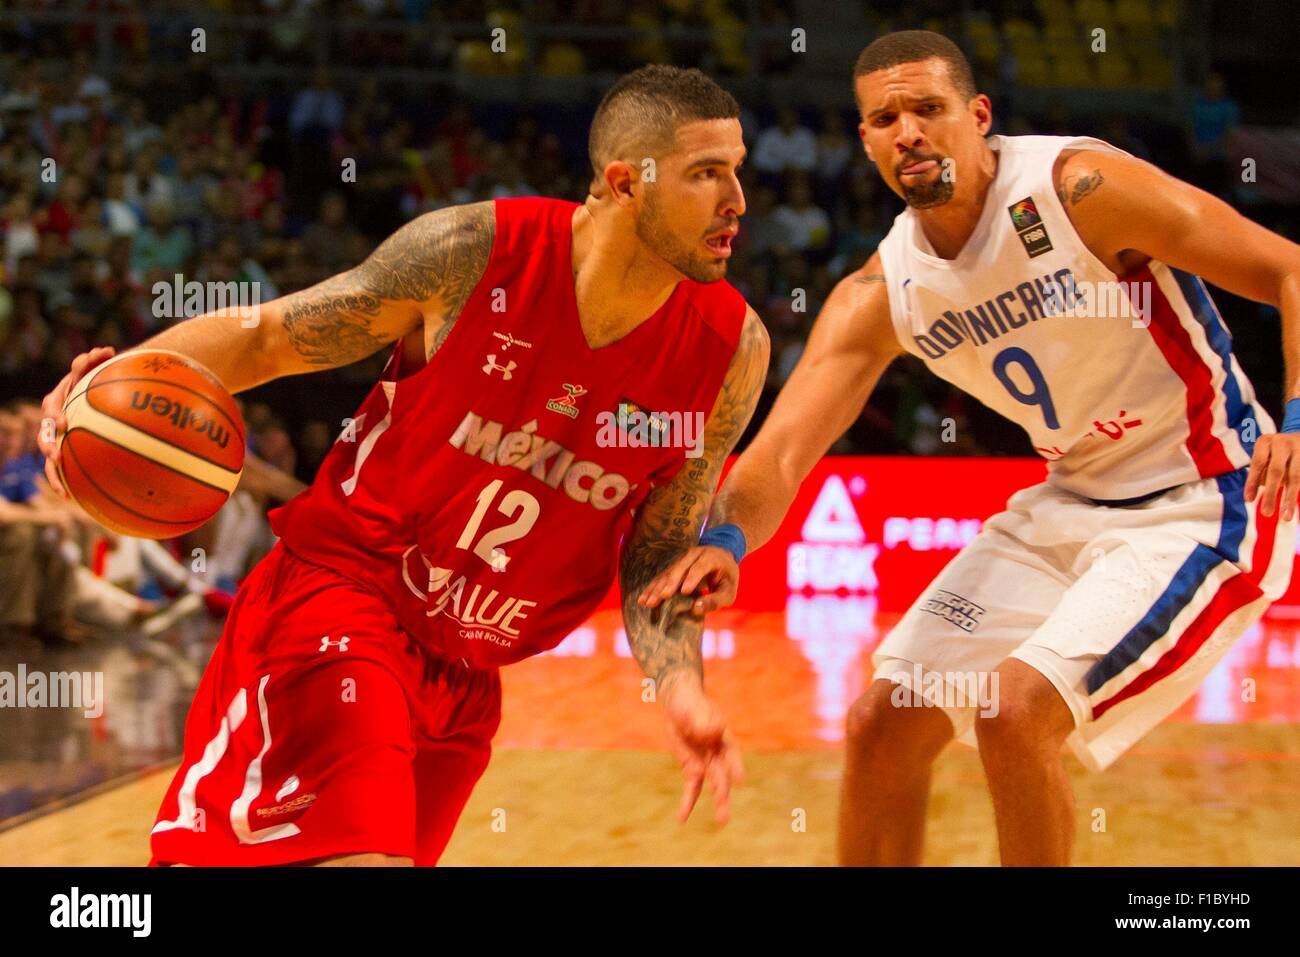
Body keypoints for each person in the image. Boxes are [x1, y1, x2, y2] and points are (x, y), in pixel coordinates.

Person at [38, 65, 769, 867]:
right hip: (342, 601)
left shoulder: (730, 352)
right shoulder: (472, 254)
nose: (737, 198)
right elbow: (269, 337)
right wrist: (99, 394)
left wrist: (681, 686)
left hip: (466, 674)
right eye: (708, 173)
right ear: (626, 182)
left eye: (738, 169)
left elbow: (659, 550)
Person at [639, 31, 1300, 866]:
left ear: (977, 116)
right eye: (885, 117)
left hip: (1206, 496)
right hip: (1068, 499)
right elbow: (777, 457)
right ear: (867, 141)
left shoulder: (1076, 190)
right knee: (881, 724)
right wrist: (728, 541)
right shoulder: (882, 292)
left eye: (927, 108)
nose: (908, 130)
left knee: (1014, 709)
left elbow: (1289, 270)